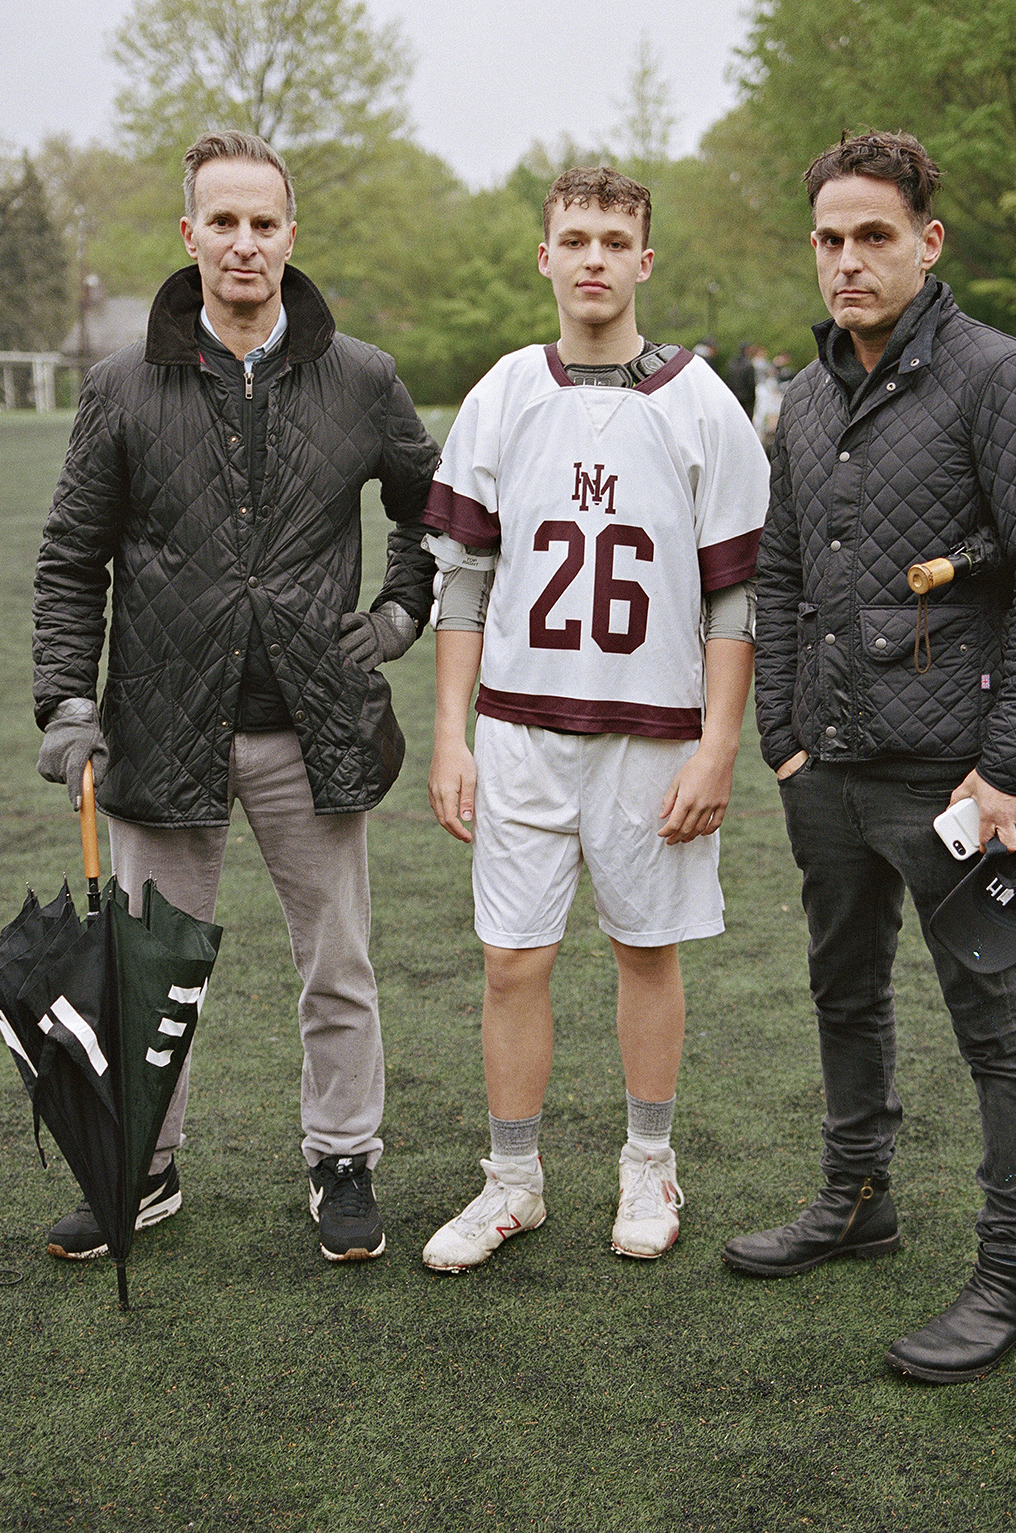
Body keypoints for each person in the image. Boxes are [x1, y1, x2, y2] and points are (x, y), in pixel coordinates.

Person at [723, 130, 1016, 1384]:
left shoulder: (999, 376)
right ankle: (856, 1197)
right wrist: (779, 737)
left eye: (871, 236)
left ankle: (1010, 1275)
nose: (845, 263)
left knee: (990, 1021)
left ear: (925, 242)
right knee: (841, 992)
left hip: (954, 780)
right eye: (827, 240)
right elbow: (778, 569)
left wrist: (1012, 767)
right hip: (823, 770)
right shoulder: (809, 391)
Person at [31, 130, 439, 1265]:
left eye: (264, 223)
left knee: (338, 967)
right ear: (190, 235)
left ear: (290, 236)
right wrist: (67, 703)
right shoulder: (121, 386)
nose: (244, 242)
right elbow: (72, 558)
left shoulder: (359, 376)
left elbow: (438, 508)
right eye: (224, 221)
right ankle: (143, 1170)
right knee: (149, 970)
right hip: (161, 732)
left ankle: (342, 1159)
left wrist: (400, 611)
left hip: (316, 729)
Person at [419, 167, 768, 1271]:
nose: (594, 258)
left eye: (615, 239)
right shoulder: (504, 392)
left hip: (650, 735)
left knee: (643, 950)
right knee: (510, 963)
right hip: (520, 729)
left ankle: (646, 1163)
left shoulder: (702, 403)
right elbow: (465, 574)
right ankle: (511, 1181)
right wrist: (447, 731)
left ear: (644, 261)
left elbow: (734, 594)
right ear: (545, 256)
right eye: (574, 238)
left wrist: (717, 744)